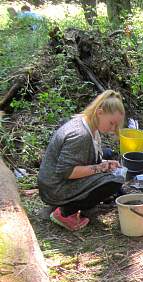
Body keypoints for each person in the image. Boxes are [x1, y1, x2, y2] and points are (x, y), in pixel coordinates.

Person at [38, 90, 126, 231]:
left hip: (54, 181)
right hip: (54, 188)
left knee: (108, 154)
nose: (112, 128)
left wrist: (105, 164)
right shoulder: (81, 135)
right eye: (112, 123)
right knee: (113, 182)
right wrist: (102, 168)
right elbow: (67, 172)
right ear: (100, 112)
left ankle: (72, 204)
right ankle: (64, 212)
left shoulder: (90, 126)